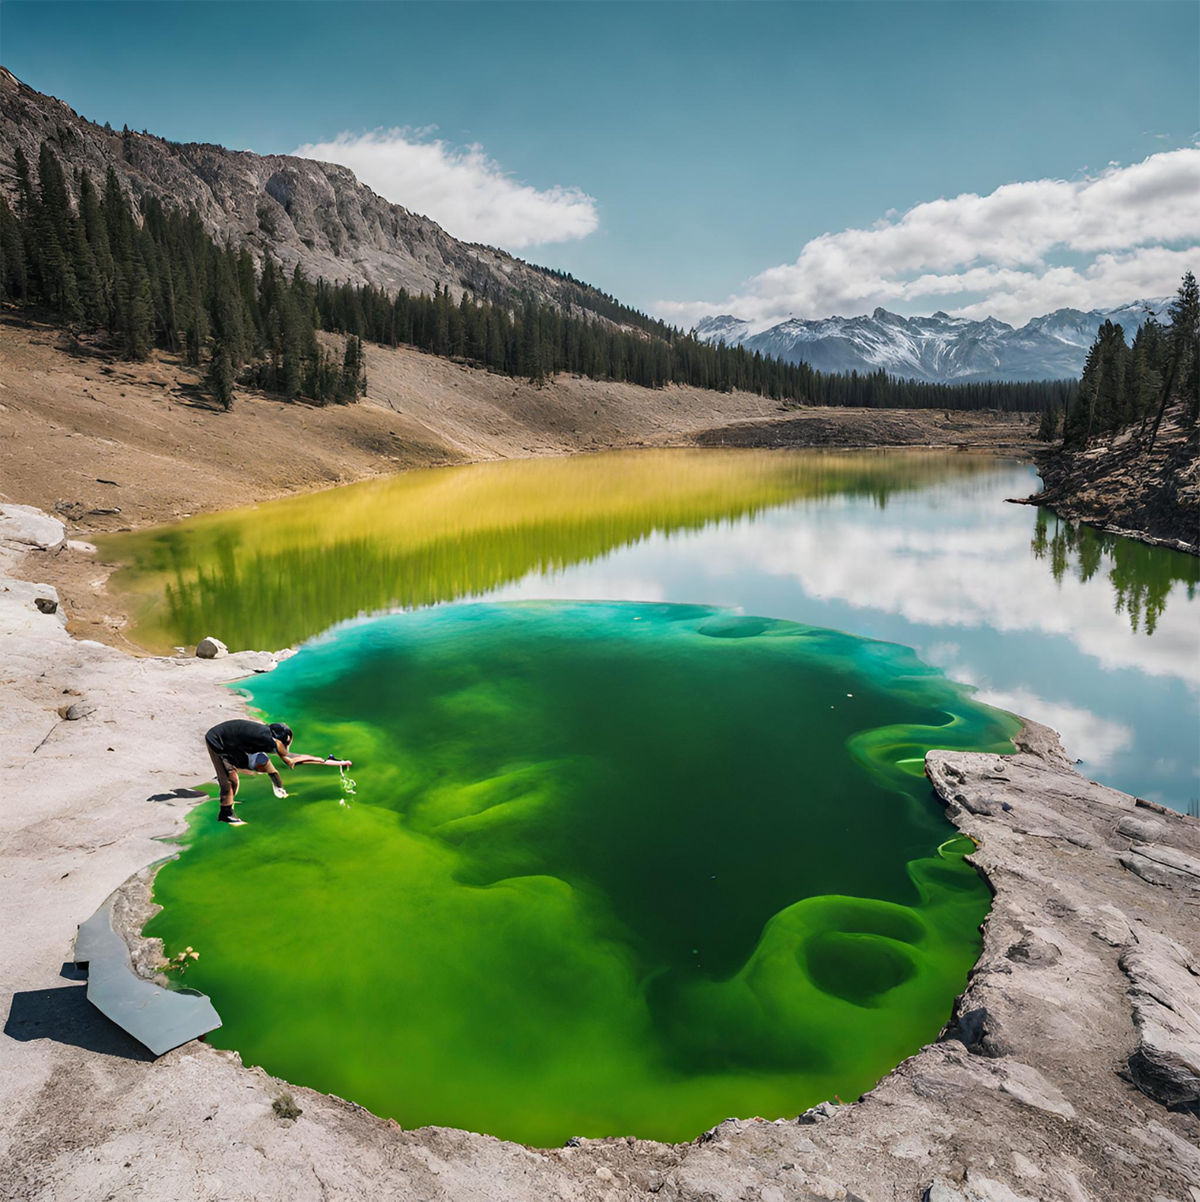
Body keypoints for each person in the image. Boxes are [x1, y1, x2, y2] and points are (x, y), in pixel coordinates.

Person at [204, 718, 352, 826]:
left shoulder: (267, 736)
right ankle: (225, 814)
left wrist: (326, 761)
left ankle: (229, 802)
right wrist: (326, 761)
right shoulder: (271, 740)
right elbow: (292, 759)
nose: (285, 747)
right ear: (280, 740)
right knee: (230, 780)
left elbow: (289, 758)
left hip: (233, 743)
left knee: (235, 777)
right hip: (217, 740)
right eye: (286, 744)